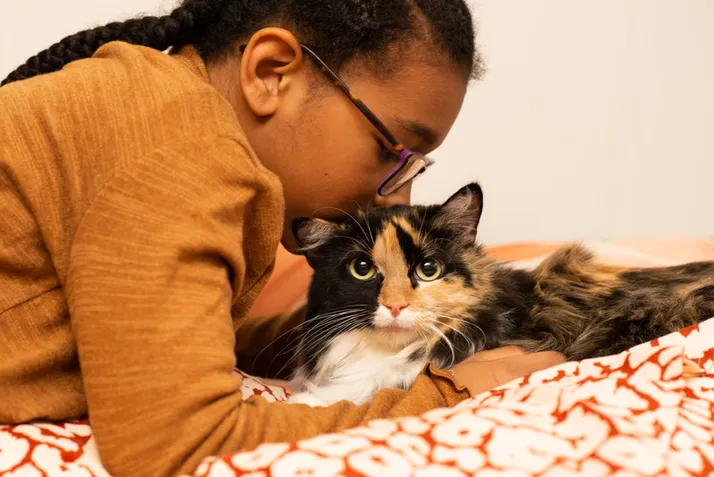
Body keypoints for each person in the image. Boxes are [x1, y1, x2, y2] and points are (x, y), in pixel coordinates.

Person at [0, 1, 565, 475]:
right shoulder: (176, 146)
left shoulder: (151, 106)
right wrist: (444, 397)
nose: (399, 202)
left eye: (416, 169)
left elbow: (157, 331)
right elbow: (174, 446)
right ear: (271, 72)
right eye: (391, 152)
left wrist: (329, 330)